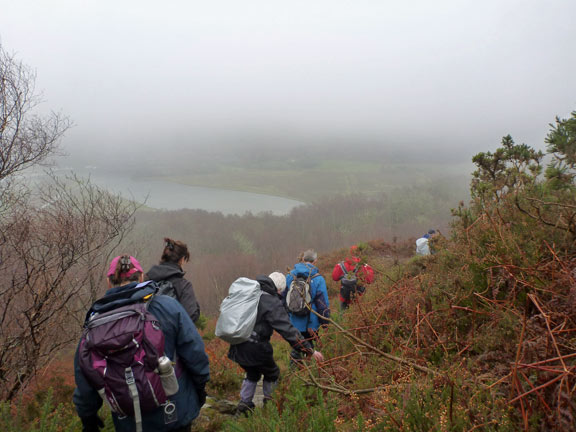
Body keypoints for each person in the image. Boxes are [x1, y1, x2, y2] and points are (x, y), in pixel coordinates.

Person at [73, 255, 210, 432]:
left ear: (108, 282)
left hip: (129, 422)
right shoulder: (167, 306)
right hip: (175, 412)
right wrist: (199, 390)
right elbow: (196, 353)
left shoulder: (95, 323)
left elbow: (85, 376)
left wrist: (88, 418)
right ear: (142, 277)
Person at [228, 272, 324, 414]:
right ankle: (270, 406)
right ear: (279, 289)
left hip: (238, 343)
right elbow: (287, 329)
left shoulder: (251, 293)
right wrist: (309, 350)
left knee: (252, 372)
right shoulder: (271, 302)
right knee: (272, 373)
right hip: (256, 346)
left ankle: (244, 406)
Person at [284, 250, 330, 353]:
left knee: (297, 349)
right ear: (315, 261)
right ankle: (312, 366)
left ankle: (295, 367)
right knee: (312, 350)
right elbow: (322, 304)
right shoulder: (318, 278)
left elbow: (284, 299)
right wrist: (325, 323)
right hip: (311, 324)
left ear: (303, 259)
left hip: (294, 321)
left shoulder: (290, 275)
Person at [146, 238, 201, 324]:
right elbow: (190, 317)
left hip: (145, 335)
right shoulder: (184, 286)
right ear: (182, 259)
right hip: (170, 335)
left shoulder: (146, 280)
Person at [332, 245, 375, 310]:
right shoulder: (363, 266)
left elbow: (335, 277)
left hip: (344, 297)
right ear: (359, 253)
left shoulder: (341, 265)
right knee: (359, 318)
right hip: (359, 299)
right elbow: (369, 280)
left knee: (343, 316)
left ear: (350, 253)